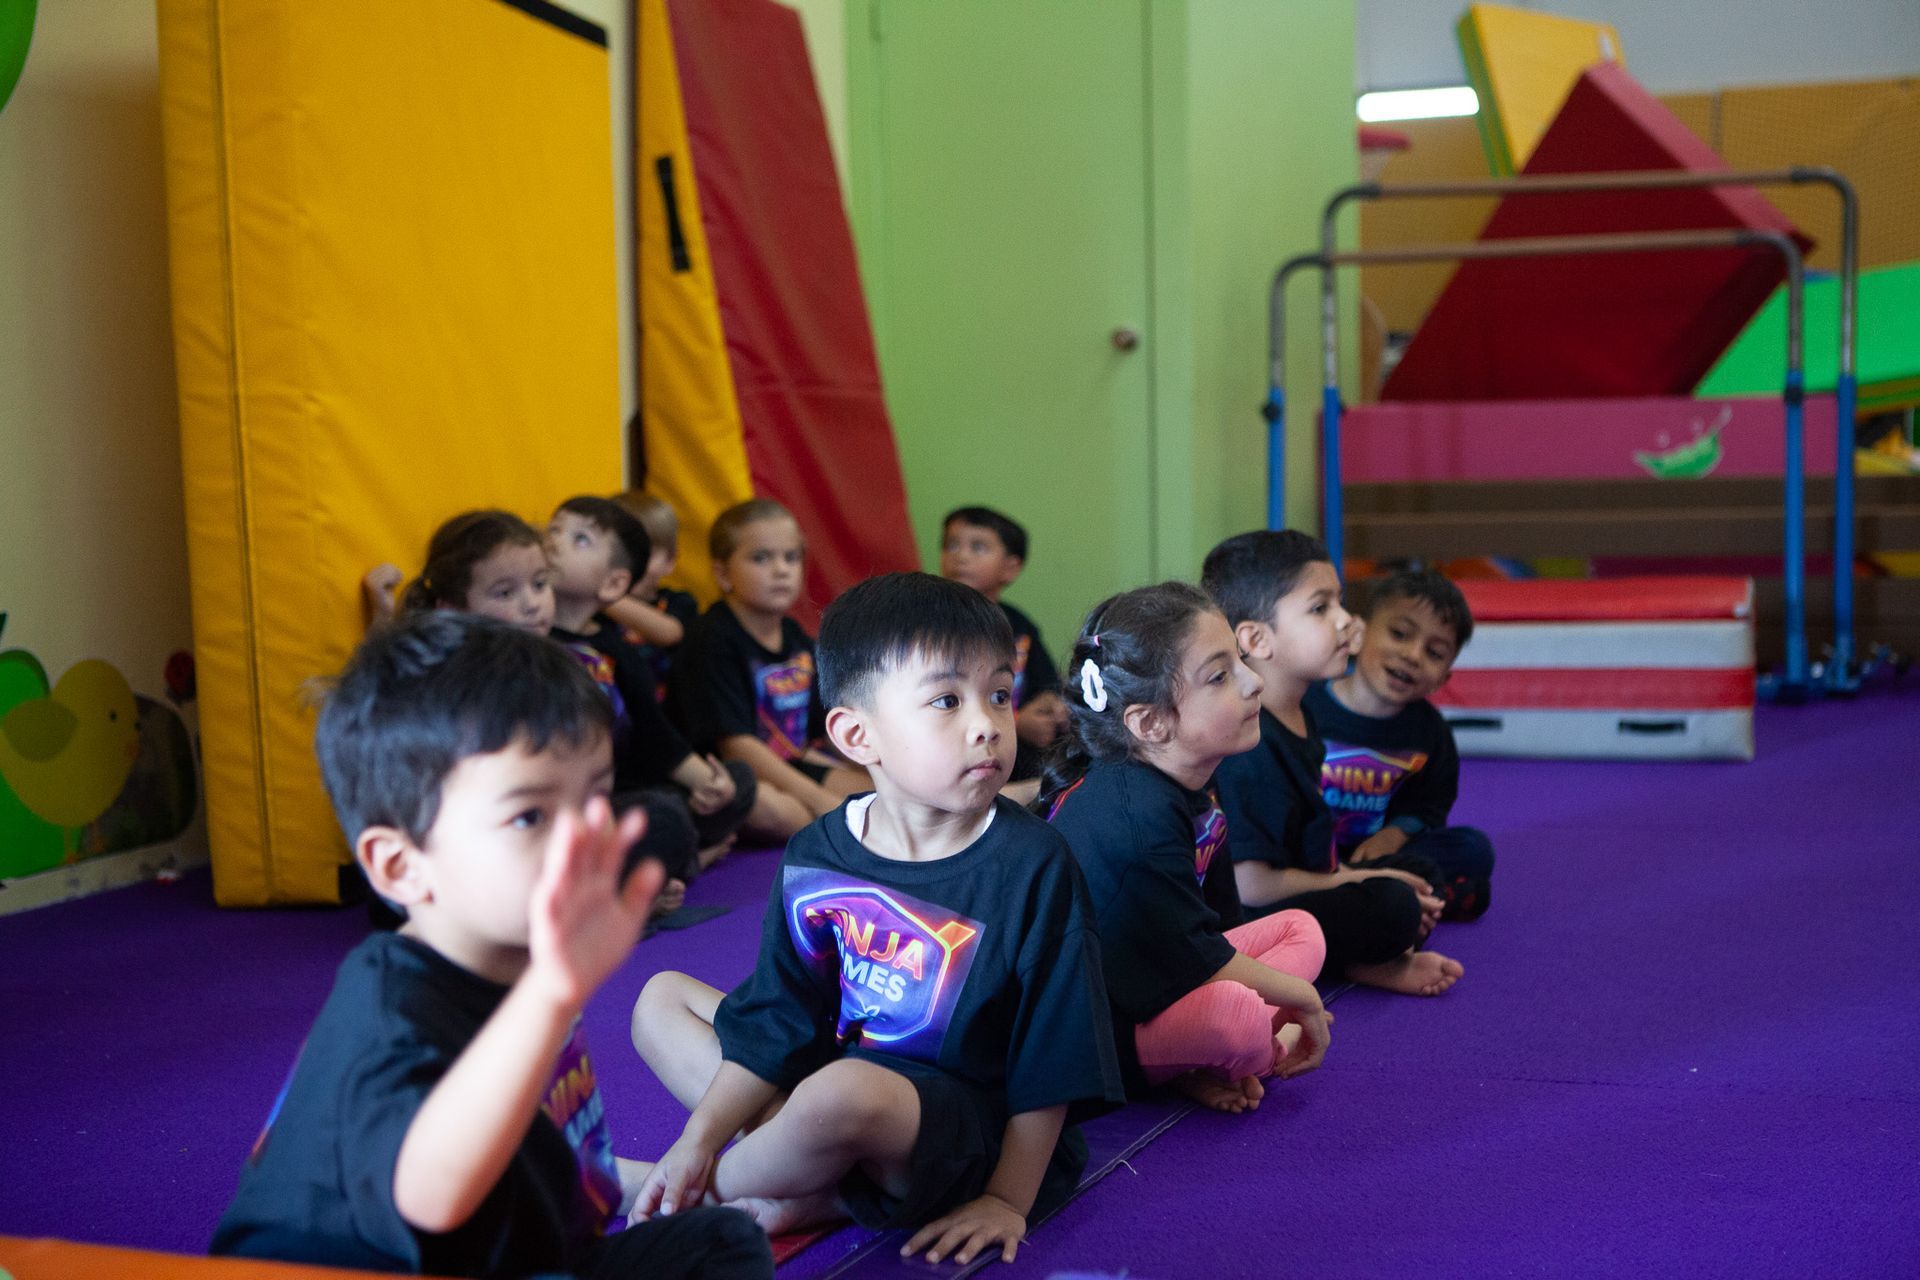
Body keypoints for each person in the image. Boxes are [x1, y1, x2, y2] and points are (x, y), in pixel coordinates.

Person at [211, 612, 772, 1280]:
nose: (582, 839)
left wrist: (668, 1182)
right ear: (400, 866)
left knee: (721, 1245)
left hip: (527, 1255)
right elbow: (430, 1196)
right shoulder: (389, 1014)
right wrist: (549, 994)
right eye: (529, 816)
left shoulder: (522, 958)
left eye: (596, 798)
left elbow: (547, 1158)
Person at [630, 573, 1121, 1267]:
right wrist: (697, 1138)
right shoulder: (817, 851)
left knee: (844, 1093)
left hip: (960, 1131)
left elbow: (1054, 1056)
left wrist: (1007, 1199)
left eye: (999, 694)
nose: (987, 723)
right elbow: (778, 1021)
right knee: (661, 998)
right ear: (858, 735)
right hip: (839, 1088)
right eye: (947, 700)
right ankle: (799, 1183)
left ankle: (667, 1193)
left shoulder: (1034, 864)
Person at [1041, 581, 1332, 1115]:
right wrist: (1301, 999)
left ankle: (1197, 1059)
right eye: (1219, 676)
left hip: (1157, 981)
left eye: (1240, 661)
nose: (1252, 682)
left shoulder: (1190, 777)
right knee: (1238, 1017)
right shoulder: (1137, 821)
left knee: (1301, 930)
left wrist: (1283, 991)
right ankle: (1208, 1058)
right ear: (1150, 723)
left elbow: (1213, 929)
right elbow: (1201, 959)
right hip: (1091, 1035)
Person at [1203, 531, 1463, 998]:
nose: (1348, 622)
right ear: (1257, 639)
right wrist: (1360, 878)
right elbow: (1252, 884)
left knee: (1418, 878)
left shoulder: (1301, 712)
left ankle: (1356, 949)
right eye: (1321, 608)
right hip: (1243, 915)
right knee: (1394, 906)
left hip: (1303, 881)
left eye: (1340, 604)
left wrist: (1359, 873)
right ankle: (1356, 959)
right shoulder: (1250, 742)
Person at [546, 495, 770, 869]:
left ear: (613, 582)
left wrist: (705, 782)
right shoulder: (527, 638)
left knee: (735, 783)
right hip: (559, 805)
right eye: (552, 530)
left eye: (579, 538)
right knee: (659, 818)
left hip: (622, 794)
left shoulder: (618, 651)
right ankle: (681, 862)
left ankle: (668, 858)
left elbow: (653, 732)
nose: (552, 542)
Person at [668, 499, 869, 839]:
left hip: (788, 765)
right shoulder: (711, 638)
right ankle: (837, 837)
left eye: (791, 557)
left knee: (877, 793)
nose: (781, 570)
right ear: (722, 572)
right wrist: (818, 799)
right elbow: (737, 747)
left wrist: (888, 769)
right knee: (778, 808)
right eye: (761, 558)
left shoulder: (794, 636)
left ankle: (840, 829)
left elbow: (828, 723)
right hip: (730, 778)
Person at [1307, 568, 1495, 921]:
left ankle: (1398, 892)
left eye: (1434, 653)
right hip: (1306, 855)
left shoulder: (1431, 732)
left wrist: (1394, 835)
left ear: (1444, 677)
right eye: (1399, 634)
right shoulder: (1305, 706)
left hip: (1378, 856)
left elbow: (1430, 804)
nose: (1412, 655)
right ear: (1358, 633)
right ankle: (1427, 895)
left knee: (1473, 849)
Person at [938, 506, 1067, 783]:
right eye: (952, 545)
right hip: (953, 753)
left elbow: (1047, 686)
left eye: (978, 547)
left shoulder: (1019, 627)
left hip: (1014, 755)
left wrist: (1050, 703)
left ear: (1010, 568)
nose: (960, 556)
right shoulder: (930, 625)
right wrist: (1018, 723)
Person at [604, 490, 703, 688]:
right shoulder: (594, 608)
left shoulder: (680, 602)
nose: (630, 563)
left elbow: (669, 633)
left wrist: (601, 596)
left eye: (643, 552)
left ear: (669, 561)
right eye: (618, 551)